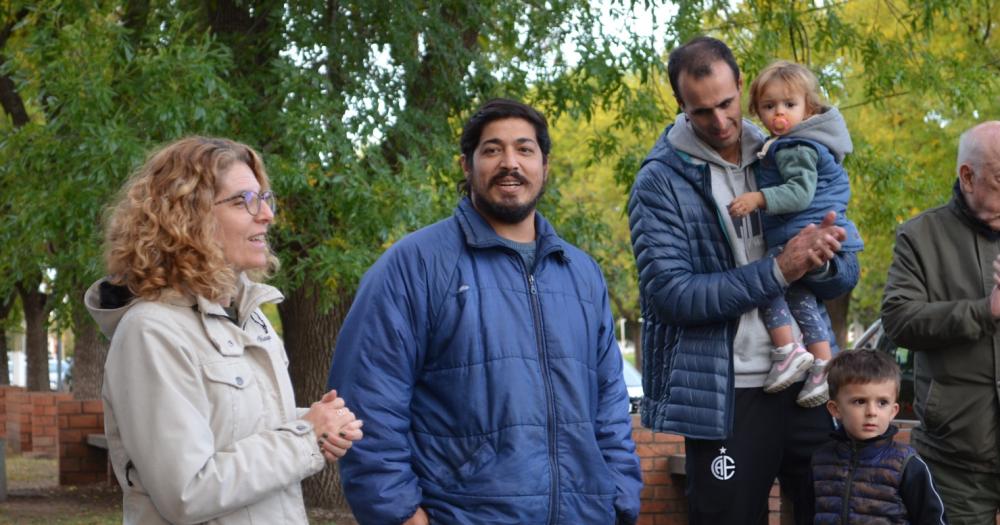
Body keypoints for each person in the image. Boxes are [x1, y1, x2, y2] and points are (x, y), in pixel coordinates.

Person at [328, 98, 643, 525]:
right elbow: (367, 408)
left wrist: (621, 501)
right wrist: (402, 517)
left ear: (545, 166)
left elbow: (610, 406)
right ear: (467, 165)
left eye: (524, 149)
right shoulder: (414, 266)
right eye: (492, 150)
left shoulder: (581, 275)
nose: (509, 162)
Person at [628, 36, 860, 524]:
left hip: (811, 383)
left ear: (741, 84)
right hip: (725, 394)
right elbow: (671, 296)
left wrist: (822, 259)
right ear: (680, 105)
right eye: (702, 110)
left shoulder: (791, 149)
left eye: (727, 103)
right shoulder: (659, 180)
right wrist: (779, 270)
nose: (719, 121)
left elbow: (845, 272)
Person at [85, 136, 364, 524]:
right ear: (184, 217)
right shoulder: (151, 332)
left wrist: (317, 422)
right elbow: (186, 492)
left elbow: (234, 428)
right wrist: (305, 437)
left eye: (265, 198)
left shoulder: (248, 316)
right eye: (242, 201)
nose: (265, 214)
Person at [881, 120, 1000, 524]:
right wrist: (986, 311)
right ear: (968, 176)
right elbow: (897, 319)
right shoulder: (920, 235)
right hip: (954, 457)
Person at [728, 60, 865, 407]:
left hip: (799, 233)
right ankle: (822, 362)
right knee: (801, 297)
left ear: (808, 108)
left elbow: (799, 193)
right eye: (769, 106)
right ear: (757, 110)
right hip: (815, 233)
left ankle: (787, 349)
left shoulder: (794, 146)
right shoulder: (802, 142)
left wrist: (758, 198)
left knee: (769, 282)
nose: (779, 114)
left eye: (789, 105)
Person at [811, 349, 947, 524]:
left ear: (893, 411)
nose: (872, 412)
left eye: (882, 403)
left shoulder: (908, 464)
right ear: (835, 409)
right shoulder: (819, 461)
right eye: (859, 401)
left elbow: (933, 519)